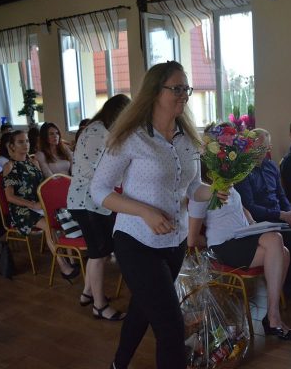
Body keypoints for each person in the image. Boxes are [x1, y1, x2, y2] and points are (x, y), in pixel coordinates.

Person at [90, 61, 225, 369]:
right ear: (154, 92)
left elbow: (193, 187)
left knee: (142, 310)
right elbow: (99, 190)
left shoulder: (187, 138)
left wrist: (214, 190)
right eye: (176, 88)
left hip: (174, 243)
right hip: (136, 241)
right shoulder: (131, 138)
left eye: (186, 88)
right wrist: (144, 211)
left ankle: (118, 364)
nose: (184, 94)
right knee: (171, 327)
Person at [188, 184, 291, 340]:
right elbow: (192, 240)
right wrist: (213, 240)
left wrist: (252, 223)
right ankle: (273, 317)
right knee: (279, 245)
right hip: (223, 246)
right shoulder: (199, 193)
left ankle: (272, 316)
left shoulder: (227, 183)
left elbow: (242, 207)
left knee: (283, 250)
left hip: (243, 236)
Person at [67, 95, 130, 321]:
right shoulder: (97, 132)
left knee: (100, 252)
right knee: (98, 254)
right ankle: (99, 306)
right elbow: (94, 170)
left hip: (94, 201)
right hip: (86, 201)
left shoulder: (101, 130)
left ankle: (87, 293)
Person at [235, 128, 291, 299]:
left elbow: (281, 194)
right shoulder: (242, 172)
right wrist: (283, 215)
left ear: (268, 148)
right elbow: (250, 207)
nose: (256, 151)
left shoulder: (271, 166)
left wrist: (290, 212)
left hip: (280, 214)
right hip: (261, 222)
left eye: (260, 148)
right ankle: (287, 285)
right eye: (252, 147)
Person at [3, 130, 79, 280]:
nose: (25, 144)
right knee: (49, 225)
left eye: (27, 141)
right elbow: (9, 197)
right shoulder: (9, 166)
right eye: (20, 142)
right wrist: (33, 205)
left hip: (39, 204)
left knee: (63, 216)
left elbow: (42, 186)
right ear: (12, 146)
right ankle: (63, 266)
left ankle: (72, 260)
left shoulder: (33, 162)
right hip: (22, 209)